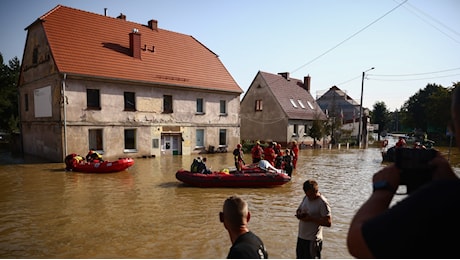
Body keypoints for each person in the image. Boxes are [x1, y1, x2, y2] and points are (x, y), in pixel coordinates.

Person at [347, 85, 460, 258]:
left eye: (452, 124)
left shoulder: (444, 197)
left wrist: (382, 189)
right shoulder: (448, 190)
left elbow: (357, 242)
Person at [296, 180, 332, 259]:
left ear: (316, 191)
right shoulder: (306, 198)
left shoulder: (322, 202)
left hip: (313, 240)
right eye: (307, 195)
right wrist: (299, 214)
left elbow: (328, 222)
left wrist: (311, 219)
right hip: (301, 238)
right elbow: (299, 209)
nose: (310, 197)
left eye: (312, 194)